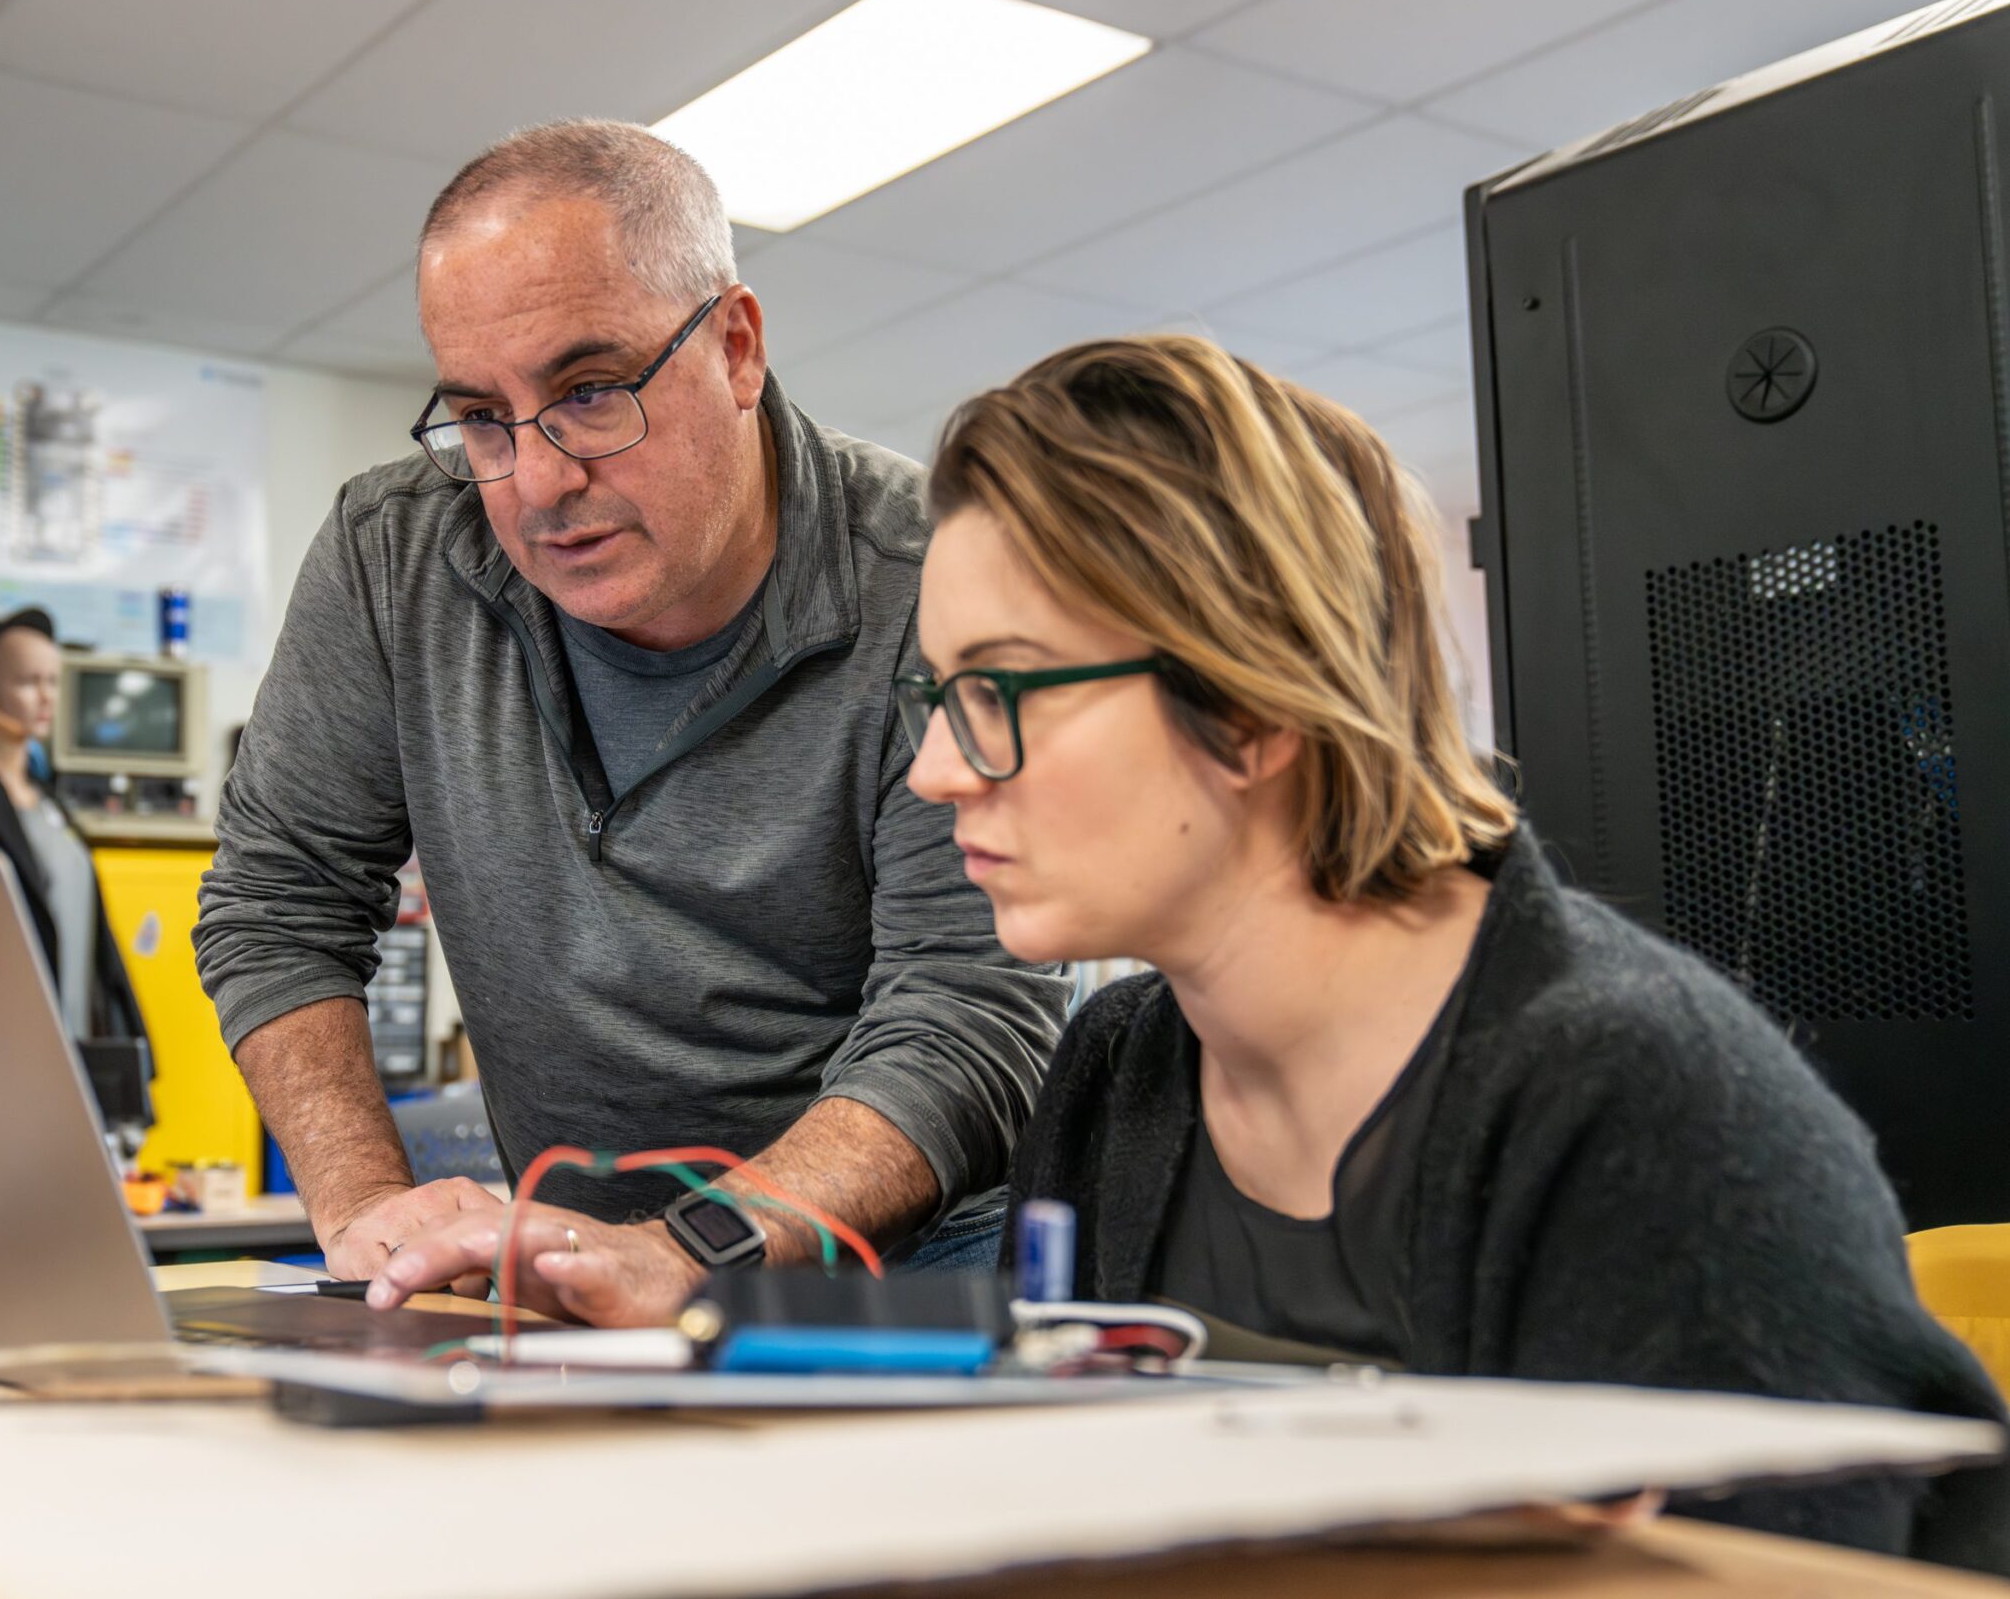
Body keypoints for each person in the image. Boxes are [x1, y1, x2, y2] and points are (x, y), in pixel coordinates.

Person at [887, 334, 2004, 1568]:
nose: (937, 770)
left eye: (1000, 691)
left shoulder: (1645, 1100)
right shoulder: (1115, 1067)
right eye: (939, 696)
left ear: (1255, 698)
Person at [196, 121, 1067, 1321]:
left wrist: (694, 1249)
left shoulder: (930, 581)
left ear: (736, 347)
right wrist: (366, 1221)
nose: (538, 480)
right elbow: (276, 901)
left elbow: (968, 1009)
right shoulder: (393, 555)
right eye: (482, 419)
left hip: (895, 1278)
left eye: (591, 393)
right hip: (559, 1268)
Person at [0, 608, 151, 1066]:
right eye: (28, 682)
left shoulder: (47, 797)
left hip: (75, 1036)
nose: (46, 697)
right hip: (8, 1043)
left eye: (53, 681)